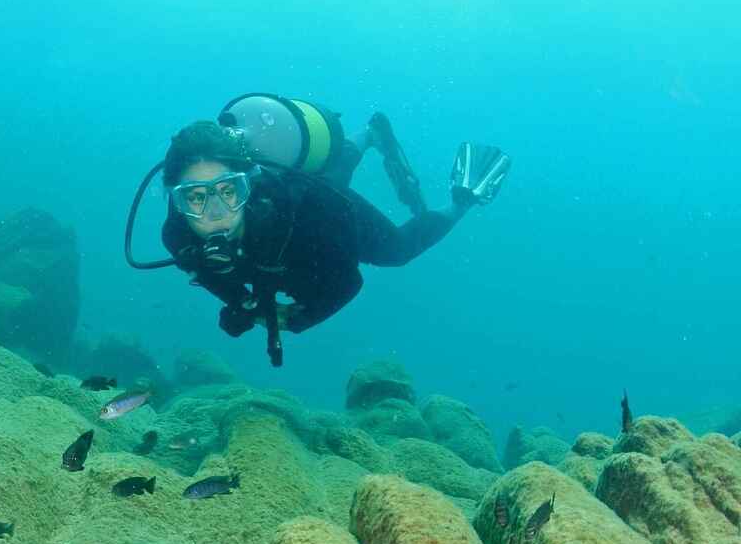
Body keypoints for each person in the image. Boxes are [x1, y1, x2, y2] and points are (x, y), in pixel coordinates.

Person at [125, 94, 509, 365]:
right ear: (175, 200)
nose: (215, 214)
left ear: (249, 184)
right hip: (303, 209)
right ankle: (370, 134)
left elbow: (348, 283)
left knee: (396, 249)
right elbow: (213, 276)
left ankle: (462, 199)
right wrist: (239, 303)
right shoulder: (178, 238)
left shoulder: (306, 219)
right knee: (336, 170)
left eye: (229, 191)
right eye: (195, 198)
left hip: (325, 211)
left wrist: (295, 319)